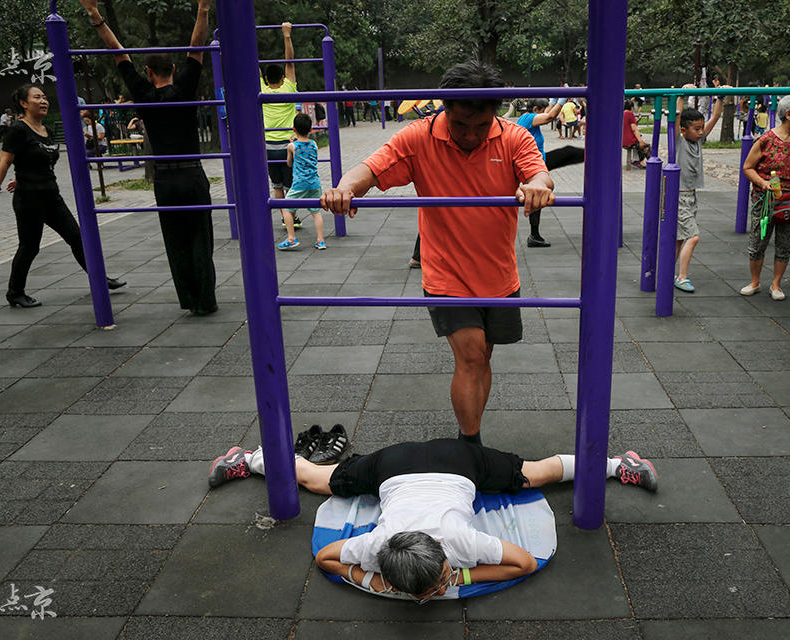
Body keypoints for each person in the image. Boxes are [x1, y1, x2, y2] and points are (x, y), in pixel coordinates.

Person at [320, 61, 554, 444]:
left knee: (483, 358)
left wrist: (537, 187)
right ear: (444, 107)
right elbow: (371, 169)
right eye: (461, 124)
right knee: (472, 356)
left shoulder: (513, 137)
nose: (471, 135)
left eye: (481, 126)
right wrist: (343, 188)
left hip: (497, 274)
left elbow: (538, 173)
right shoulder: (418, 137)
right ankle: (470, 444)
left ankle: (470, 436)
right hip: (446, 273)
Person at [208, 437, 658, 600]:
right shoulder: (376, 548)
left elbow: (523, 562)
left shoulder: (458, 542)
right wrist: (373, 579)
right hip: (402, 465)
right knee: (320, 481)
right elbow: (326, 557)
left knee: (534, 476)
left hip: (451, 462)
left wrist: (459, 576)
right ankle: (250, 457)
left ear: (446, 555)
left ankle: (619, 464)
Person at [81, 0, 218, 316]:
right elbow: (196, 47)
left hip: (165, 179)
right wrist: (202, 9)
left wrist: (95, 15)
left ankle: (189, 299)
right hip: (192, 174)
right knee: (201, 238)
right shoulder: (184, 88)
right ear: (172, 69)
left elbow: (119, 53)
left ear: (147, 72)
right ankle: (206, 300)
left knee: (176, 240)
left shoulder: (142, 93)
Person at [0, 84, 126, 308]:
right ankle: (15, 292)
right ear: (23, 103)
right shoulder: (18, 129)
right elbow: (5, 161)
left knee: (77, 237)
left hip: (51, 196)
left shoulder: (46, 130)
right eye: (37, 97)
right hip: (29, 199)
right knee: (29, 247)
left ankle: (100, 279)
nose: (43, 101)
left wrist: (21, 176)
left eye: (44, 97)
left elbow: (39, 160)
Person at [740, 95, 790, 300]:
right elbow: (747, 167)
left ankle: (776, 284)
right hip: (765, 201)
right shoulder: (766, 139)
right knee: (758, 242)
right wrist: (763, 183)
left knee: (785, 244)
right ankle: (755, 281)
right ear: (789, 114)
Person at [673, 90, 722, 293]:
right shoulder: (679, 142)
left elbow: (716, 116)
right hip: (678, 196)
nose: (701, 132)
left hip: (691, 196)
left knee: (679, 239)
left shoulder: (698, 141)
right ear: (684, 130)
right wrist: (681, 98)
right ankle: (682, 277)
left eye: (702, 128)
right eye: (696, 129)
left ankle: (667, 272)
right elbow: (676, 119)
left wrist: (720, 98)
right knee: (693, 237)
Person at [516, 98, 565, 247]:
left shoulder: (530, 118)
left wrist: (554, 99)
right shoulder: (527, 118)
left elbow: (548, 112)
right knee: (536, 198)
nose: (545, 113)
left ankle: (534, 235)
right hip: (530, 167)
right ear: (536, 109)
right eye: (542, 110)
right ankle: (534, 235)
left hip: (536, 167)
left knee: (537, 198)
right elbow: (549, 117)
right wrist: (562, 101)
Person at [276, 113, 326, 250]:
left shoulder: (292, 147)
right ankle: (321, 240)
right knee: (316, 212)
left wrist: (291, 145)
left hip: (299, 184)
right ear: (310, 130)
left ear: (293, 129)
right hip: (315, 183)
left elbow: (289, 164)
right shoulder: (314, 144)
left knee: (286, 208)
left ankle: (291, 238)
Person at [261, 23, 297, 201]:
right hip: (288, 145)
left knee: (276, 185)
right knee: (289, 184)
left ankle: (285, 215)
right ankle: (291, 215)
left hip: (268, 145)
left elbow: (252, 65)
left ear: (266, 79)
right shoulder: (288, 88)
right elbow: (290, 62)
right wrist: (287, 35)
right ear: (283, 78)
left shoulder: (261, 91)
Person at [622, 99, 650, 169]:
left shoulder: (621, 114)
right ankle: (645, 162)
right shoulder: (630, 114)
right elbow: (634, 129)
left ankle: (635, 160)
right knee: (646, 146)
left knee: (637, 143)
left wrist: (636, 122)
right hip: (629, 141)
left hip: (621, 140)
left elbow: (627, 126)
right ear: (631, 107)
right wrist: (640, 141)